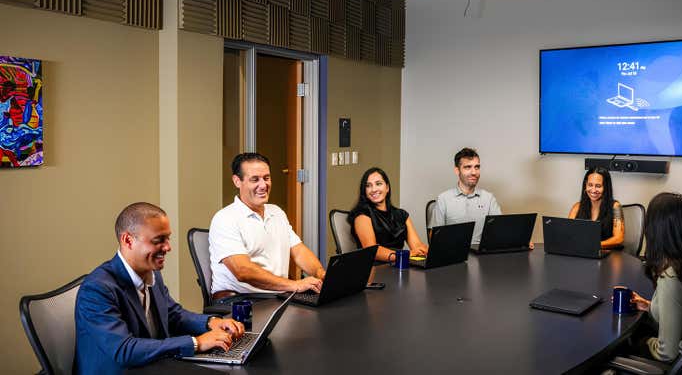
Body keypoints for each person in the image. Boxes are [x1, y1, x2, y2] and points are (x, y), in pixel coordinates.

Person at [75, 202, 245, 374]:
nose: (168, 247)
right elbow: (124, 350)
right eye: (159, 240)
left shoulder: (152, 273)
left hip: (153, 367)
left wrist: (211, 322)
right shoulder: (97, 289)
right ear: (128, 240)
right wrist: (196, 343)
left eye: (168, 238)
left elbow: (173, 314)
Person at [209, 152, 326, 300]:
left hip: (279, 295)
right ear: (237, 181)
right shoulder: (225, 219)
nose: (263, 185)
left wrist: (321, 273)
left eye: (266, 178)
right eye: (255, 179)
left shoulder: (277, 212)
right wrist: (295, 285)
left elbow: (299, 251)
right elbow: (242, 271)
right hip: (240, 301)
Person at [628, 193, 682, 362]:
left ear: (655, 228)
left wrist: (643, 343)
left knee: (621, 345)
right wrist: (650, 306)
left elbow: (667, 353)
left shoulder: (670, 277)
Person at [432, 148, 534, 248]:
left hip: (482, 255)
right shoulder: (443, 199)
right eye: (468, 167)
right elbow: (434, 235)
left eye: (477, 167)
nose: (474, 172)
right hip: (453, 255)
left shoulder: (488, 198)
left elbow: (500, 229)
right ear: (457, 170)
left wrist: (520, 240)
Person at [349, 167, 429, 262]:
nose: (374, 189)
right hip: (376, 269)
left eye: (378, 184)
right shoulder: (362, 216)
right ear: (365, 192)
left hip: (400, 265)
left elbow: (417, 246)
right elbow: (373, 251)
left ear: (387, 187)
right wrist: (404, 256)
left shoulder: (401, 214)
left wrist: (425, 251)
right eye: (368, 186)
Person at [568, 166, 624, 249]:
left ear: (606, 187)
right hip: (582, 254)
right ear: (585, 185)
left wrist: (593, 245)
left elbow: (619, 239)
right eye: (590, 185)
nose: (593, 190)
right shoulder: (577, 207)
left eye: (598, 186)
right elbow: (568, 234)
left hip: (607, 255)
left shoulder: (615, 206)